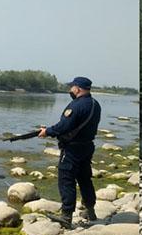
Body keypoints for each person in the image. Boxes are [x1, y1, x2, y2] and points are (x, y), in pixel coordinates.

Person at [38, 77, 101, 227]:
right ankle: (90, 211)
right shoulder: (95, 104)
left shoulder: (77, 105)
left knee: (66, 180)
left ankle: (66, 216)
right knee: (85, 178)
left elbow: (63, 126)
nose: (70, 90)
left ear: (78, 88)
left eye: (71, 87)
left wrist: (47, 131)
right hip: (87, 146)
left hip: (72, 148)